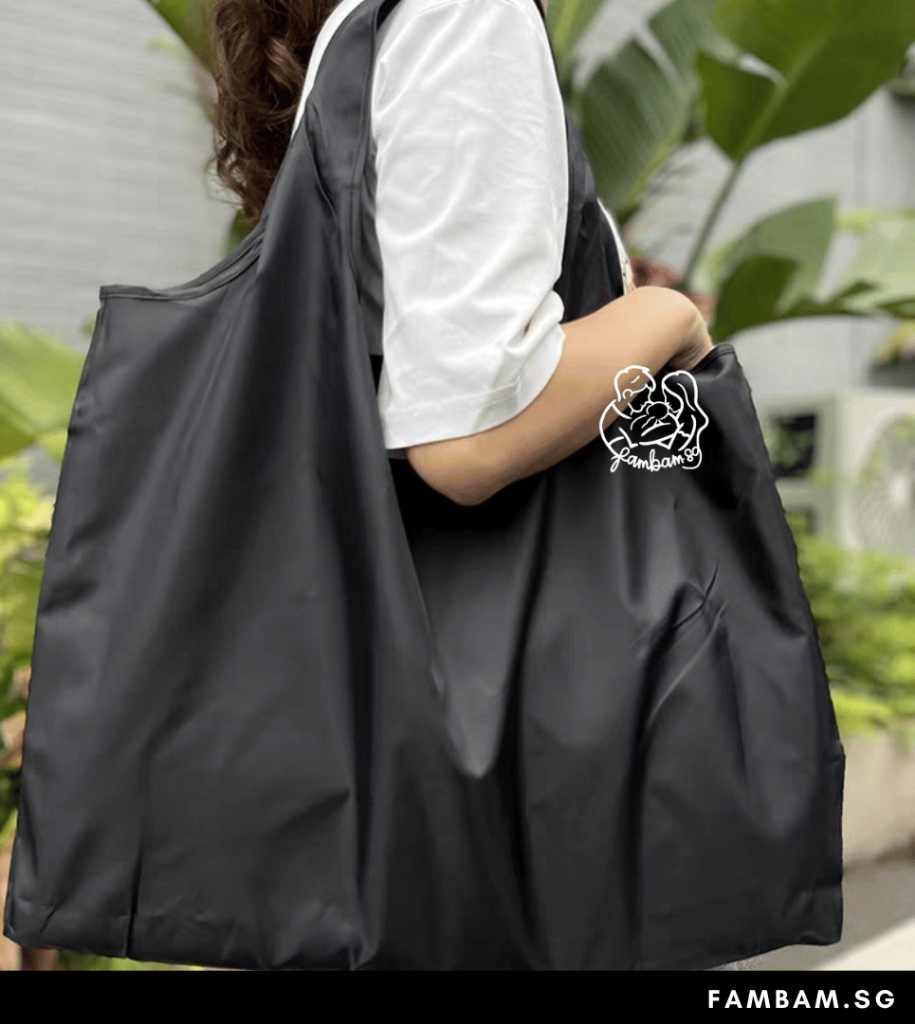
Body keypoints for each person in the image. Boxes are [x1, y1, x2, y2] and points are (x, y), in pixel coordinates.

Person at [207, 0, 731, 970]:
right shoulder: (464, 13)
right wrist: (666, 320)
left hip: (379, 735)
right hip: (525, 761)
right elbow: (468, 438)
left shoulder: (363, 39)